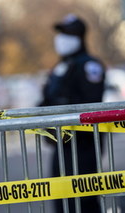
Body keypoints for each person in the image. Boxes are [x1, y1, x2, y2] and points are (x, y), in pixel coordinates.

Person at [40, 14, 105, 213]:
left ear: (79, 37)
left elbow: (89, 102)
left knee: (84, 202)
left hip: (83, 143)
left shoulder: (90, 65)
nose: (61, 39)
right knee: (61, 200)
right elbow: (47, 99)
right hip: (61, 144)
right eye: (61, 34)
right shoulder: (60, 67)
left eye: (67, 34)